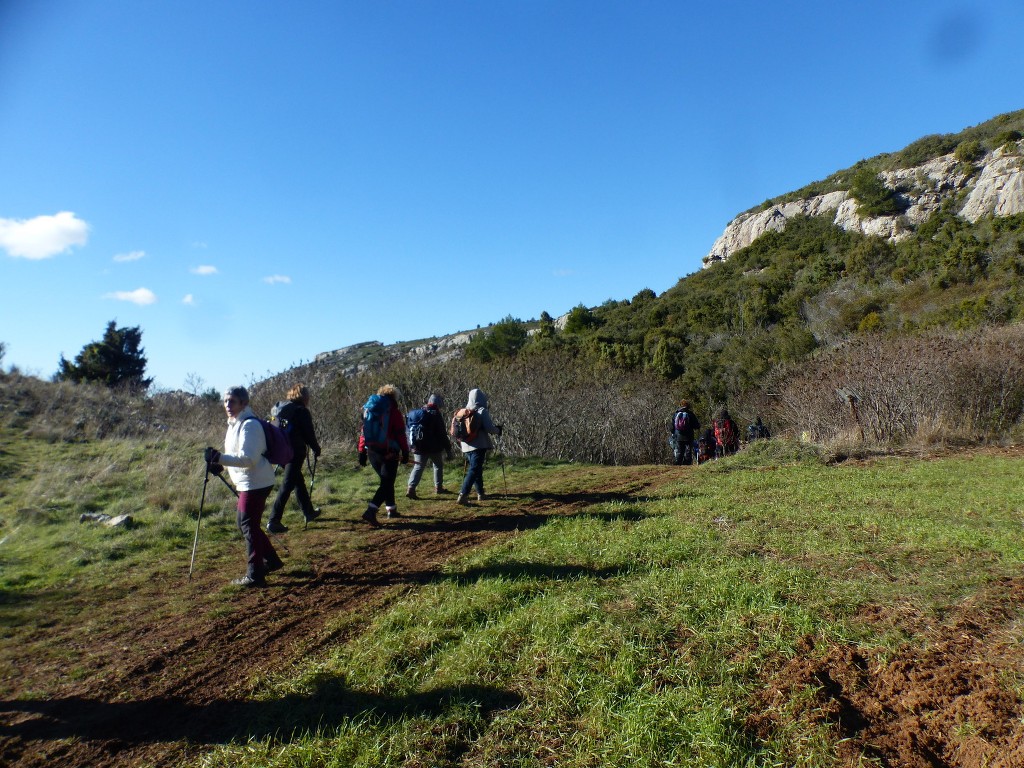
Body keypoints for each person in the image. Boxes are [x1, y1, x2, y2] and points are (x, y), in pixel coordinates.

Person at [204, 386, 282, 588]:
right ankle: (271, 561)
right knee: (245, 523)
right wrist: (219, 463)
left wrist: (218, 457)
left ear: (244, 403)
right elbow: (238, 455)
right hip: (248, 482)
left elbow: (249, 459)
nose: (228, 405)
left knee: (248, 526)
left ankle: (255, 575)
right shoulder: (234, 424)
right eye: (226, 401)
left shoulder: (249, 425)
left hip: (256, 482)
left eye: (233, 401)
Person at [266, 383, 322, 533]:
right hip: (295, 452)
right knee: (288, 483)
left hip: (280, 452)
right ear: (303, 396)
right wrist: (316, 448)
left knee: (297, 481)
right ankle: (274, 520)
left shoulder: (279, 410)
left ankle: (309, 512)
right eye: (307, 394)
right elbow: (308, 433)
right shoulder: (301, 411)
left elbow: (273, 430)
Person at [357, 384, 409, 527]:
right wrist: (405, 451)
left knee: (386, 481)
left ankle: (391, 509)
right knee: (386, 482)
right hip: (389, 452)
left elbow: (363, 431)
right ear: (394, 396)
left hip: (372, 451)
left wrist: (361, 451)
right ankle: (371, 511)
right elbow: (400, 433)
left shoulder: (370, 409)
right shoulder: (393, 411)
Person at [454, 388, 502, 505]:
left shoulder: (463, 412)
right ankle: (463, 494)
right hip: (479, 445)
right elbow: (489, 428)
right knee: (474, 469)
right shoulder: (481, 411)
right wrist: (498, 430)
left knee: (476, 469)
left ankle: (480, 493)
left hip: (465, 445)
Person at [406, 394, 453, 498]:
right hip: (433, 447)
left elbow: (408, 429)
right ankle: (438, 487)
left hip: (418, 446)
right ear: (438, 404)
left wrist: (411, 445)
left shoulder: (416, 413)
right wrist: (448, 448)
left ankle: (411, 488)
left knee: (418, 466)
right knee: (438, 465)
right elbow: (442, 433)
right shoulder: (435, 414)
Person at [668, 399, 700, 466]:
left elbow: (672, 427)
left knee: (679, 451)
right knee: (688, 451)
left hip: (678, 436)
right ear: (688, 406)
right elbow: (696, 425)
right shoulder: (690, 414)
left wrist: (674, 433)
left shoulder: (676, 414)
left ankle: (677, 465)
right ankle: (687, 466)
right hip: (689, 436)